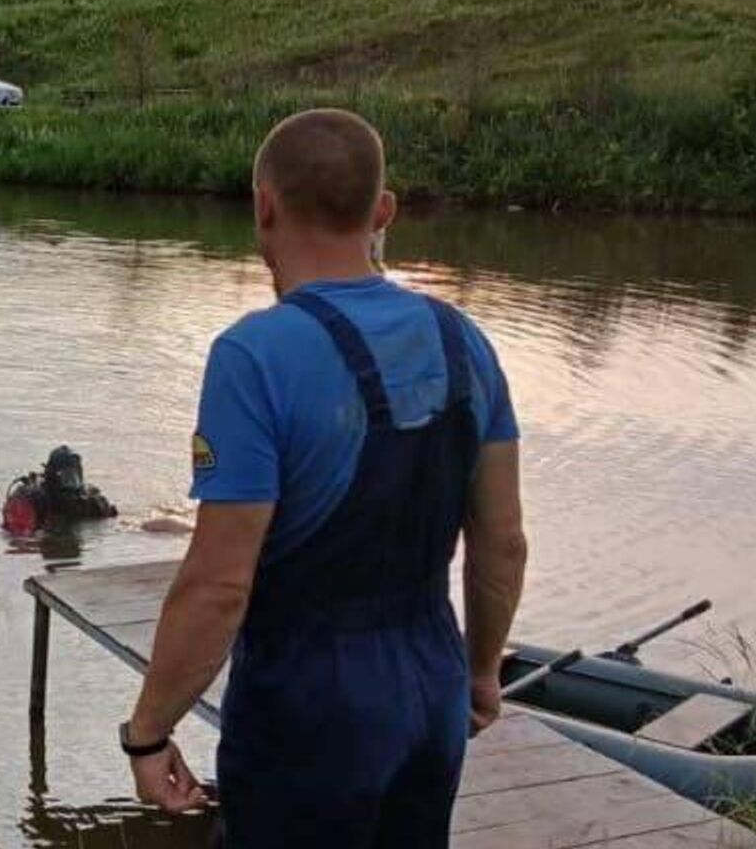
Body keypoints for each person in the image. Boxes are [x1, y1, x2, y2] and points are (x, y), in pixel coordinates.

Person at [119, 110, 528, 847]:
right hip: (431, 686)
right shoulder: (465, 341)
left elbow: (219, 584)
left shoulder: (255, 355)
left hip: (309, 705)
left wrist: (149, 731)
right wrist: (479, 672)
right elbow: (503, 544)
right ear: (383, 211)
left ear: (264, 206)